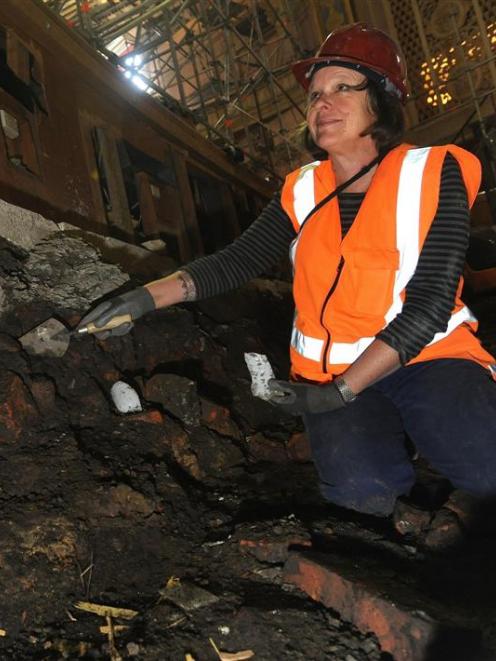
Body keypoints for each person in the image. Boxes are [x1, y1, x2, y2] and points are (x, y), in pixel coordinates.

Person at [79, 22, 496, 522]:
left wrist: (341, 394)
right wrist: (145, 299)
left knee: (486, 467)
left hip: (428, 359)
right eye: (316, 94)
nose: (323, 103)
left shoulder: (435, 170)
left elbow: (429, 301)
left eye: (343, 87)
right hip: (328, 374)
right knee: (361, 494)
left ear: (383, 99)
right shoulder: (301, 189)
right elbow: (238, 259)